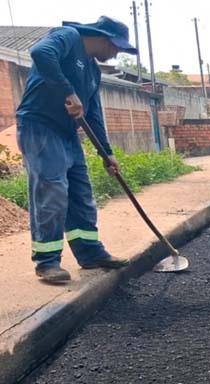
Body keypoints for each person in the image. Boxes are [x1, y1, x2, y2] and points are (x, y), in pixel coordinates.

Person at [16, 16, 137, 283]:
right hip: (39, 125)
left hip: (67, 133)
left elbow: (93, 113)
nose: (117, 54)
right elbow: (40, 52)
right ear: (105, 39)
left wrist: (106, 153)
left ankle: (90, 252)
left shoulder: (93, 71)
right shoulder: (67, 37)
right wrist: (68, 92)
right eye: (116, 47)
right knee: (52, 190)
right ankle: (47, 262)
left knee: (82, 194)